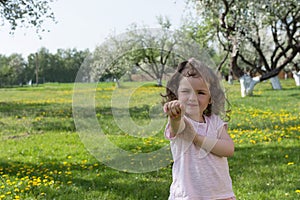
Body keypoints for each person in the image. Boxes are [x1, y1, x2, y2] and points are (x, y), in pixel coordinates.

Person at [162, 58, 235, 200]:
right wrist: (175, 116)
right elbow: (176, 128)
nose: (192, 98)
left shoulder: (214, 122)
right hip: (189, 196)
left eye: (201, 93)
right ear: (176, 94)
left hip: (220, 194)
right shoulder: (181, 121)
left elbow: (229, 149)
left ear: (211, 98)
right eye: (185, 91)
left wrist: (196, 138)